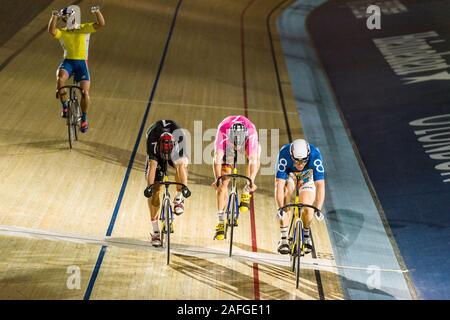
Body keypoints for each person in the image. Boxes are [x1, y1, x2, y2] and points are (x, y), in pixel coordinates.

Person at [47, 5, 105, 133]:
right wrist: (54, 17)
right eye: (65, 19)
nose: (66, 21)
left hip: (81, 65)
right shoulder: (63, 32)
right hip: (68, 62)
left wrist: (97, 12)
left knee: (84, 92)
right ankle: (65, 106)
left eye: (68, 18)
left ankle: (84, 118)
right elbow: (51, 31)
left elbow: (101, 24)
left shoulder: (84, 28)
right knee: (60, 78)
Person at [212, 115, 261, 240]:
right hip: (228, 145)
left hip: (246, 137)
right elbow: (217, 159)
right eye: (235, 145)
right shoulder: (223, 132)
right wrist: (217, 179)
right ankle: (220, 221)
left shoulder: (251, 133)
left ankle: (246, 190)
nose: (237, 149)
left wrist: (251, 182)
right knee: (223, 184)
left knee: (255, 155)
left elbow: (252, 160)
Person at [274, 139, 325, 254]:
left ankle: (306, 236)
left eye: (303, 162)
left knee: (307, 205)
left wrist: (318, 208)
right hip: (290, 174)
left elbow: (320, 184)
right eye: (296, 161)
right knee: (286, 196)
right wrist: (280, 208)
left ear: (308, 155)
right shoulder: (284, 154)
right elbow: (279, 184)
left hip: (307, 176)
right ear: (291, 155)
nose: (300, 165)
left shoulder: (315, 155)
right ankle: (283, 238)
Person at [143, 120, 189, 247]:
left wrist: (184, 189)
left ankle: (178, 199)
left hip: (175, 153)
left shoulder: (180, 139)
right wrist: (149, 188)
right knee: (155, 191)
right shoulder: (152, 140)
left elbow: (180, 168)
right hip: (157, 155)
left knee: (182, 166)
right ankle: (155, 231)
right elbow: (152, 166)